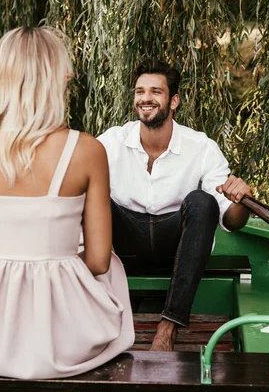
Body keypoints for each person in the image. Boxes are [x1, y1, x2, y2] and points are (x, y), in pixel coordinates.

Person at [0, 27, 134, 379]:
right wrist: (57, 266)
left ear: (0, 79)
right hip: (67, 337)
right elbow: (96, 261)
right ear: (55, 80)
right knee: (112, 264)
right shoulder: (86, 150)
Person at [97, 58, 253, 351]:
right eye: (140, 91)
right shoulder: (111, 142)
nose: (146, 98)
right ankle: (92, 314)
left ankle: (167, 329)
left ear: (174, 101)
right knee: (92, 194)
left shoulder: (201, 147)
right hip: (125, 245)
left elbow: (231, 220)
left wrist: (242, 201)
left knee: (202, 202)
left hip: (176, 252)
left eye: (156, 91)